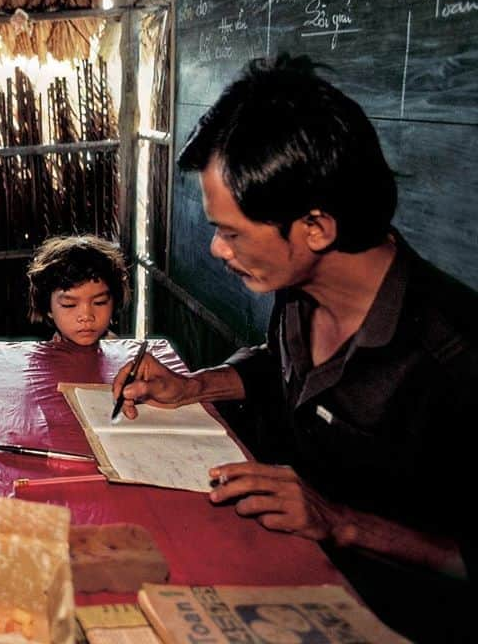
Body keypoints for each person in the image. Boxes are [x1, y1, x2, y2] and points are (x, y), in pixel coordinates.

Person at [110, 55, 475, 639]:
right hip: (276, 575)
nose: (216, 251)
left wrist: (342, 524)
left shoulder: (454, 357)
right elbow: (282, 369)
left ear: (316, 228)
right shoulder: (299, 291)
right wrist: (197, 386)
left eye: (232, 233)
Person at [26, 235, 130, 348]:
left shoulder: (123, 353)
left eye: (100, 302)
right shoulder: (38, 359)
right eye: (69, 305)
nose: (86, 316)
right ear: (48, 308)